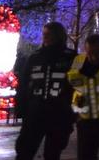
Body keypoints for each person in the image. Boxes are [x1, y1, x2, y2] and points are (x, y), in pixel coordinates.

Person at [14, 22, 77, 160]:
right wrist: (20, 107)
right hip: (34, 113)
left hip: (60, 114)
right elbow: (23, 84)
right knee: (25, 151)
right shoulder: (34, 57)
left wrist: (73, 113)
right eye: (44, 34)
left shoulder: (71, 58)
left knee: (53, 153)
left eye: (49, 34)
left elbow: (77, 86)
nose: (45, 37)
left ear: (58, 35)